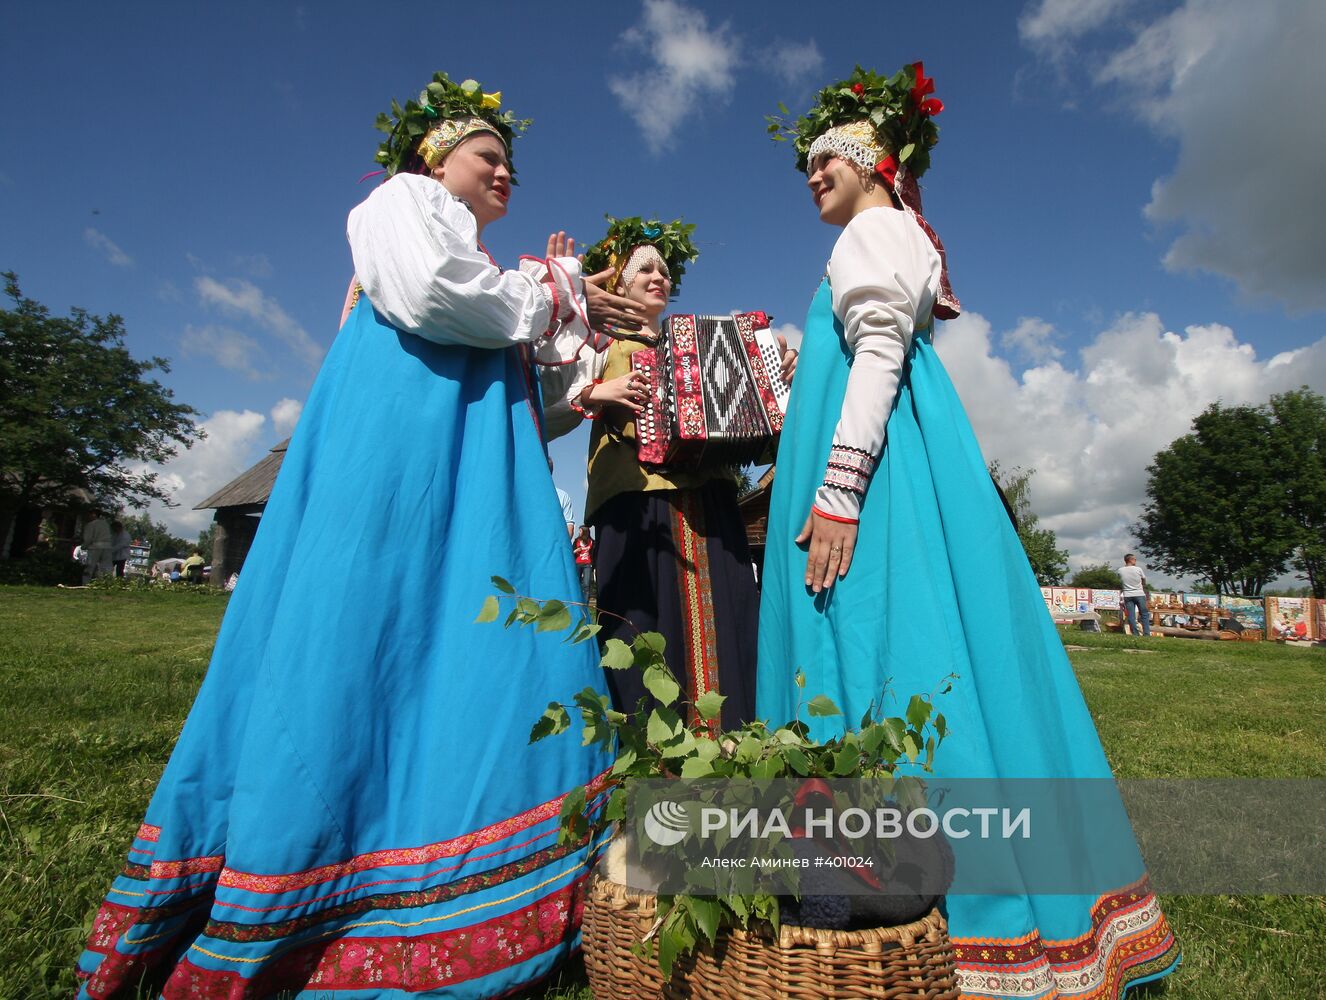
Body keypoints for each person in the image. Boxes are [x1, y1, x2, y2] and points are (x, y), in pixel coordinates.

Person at [75, 73, 646, 998]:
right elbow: (437, 298)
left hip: (467, 471)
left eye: (511, 163)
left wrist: (574, 375)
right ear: (434, 155)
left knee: (475, 651)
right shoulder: (401, 204)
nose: (505, 173)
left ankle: (482, 877)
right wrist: (557, 287)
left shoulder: (476, 263)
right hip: (400, 458)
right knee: (367, 636)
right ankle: (335, 877)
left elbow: (512, 400)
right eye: (487, 155)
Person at [757, 65, 1179, 997]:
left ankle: (938, 914)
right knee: (932, 649)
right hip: (897, 461)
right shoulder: (885, 232)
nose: (811, 174)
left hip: (883, 479)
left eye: (822, 155)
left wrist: (837, 490)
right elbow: (862, 345)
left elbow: (875, 352)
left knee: (891, 652)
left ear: (871, 160)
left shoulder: (875, 227)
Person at [542, 217, 794, 730]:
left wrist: (774, 373)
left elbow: (759, 417)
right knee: (645, 628)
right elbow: (547, 407)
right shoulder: (596, 344)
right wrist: (594, 393)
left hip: (711, 501)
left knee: (729, 622)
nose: (658, 276)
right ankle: (652, 765)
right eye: (644, 270)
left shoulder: (702, 343)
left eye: (663, 270)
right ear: (618, 284)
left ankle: (733, 751)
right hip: (639, 504)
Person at [1118, 553, 1151, 637]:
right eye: (1135, 559)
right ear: (1131, 560)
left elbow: (1120, 580)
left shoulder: (1120, 570)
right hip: (1139, 593)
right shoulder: (1138, 569)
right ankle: (1146, 633)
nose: (1135, 561)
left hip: (1127, 594)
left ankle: (1135, 633)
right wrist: (1142, 586)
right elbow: (1143, 579)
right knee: (1144, 613)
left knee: (1131, 615)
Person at [81, 510, 113, 582]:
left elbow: (88, 539)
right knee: (106, 567)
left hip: (95, 547)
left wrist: (83, 546)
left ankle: (85, 583)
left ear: (93, 515)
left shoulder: (90, 525)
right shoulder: (105, 524)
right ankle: (107, 583)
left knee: (90, 566)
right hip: (107, 547)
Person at [572, 524, 594, 602]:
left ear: (585, 532)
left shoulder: (592, 542)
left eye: (580, 530)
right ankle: (576, 601)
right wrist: (576, 550)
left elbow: (593, 554)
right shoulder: (576, 541)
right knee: (576, 583)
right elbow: (571, 552)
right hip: (577, 563)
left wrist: (593, 564)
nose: (579, 532)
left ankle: (585, 604)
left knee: (586, 585)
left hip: (587, 564)